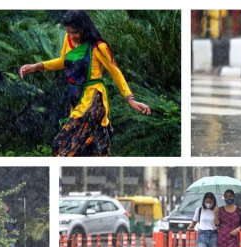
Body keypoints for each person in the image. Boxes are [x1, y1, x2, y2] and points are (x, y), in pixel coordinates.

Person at [18, 10, 151, 157]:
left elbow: (116, 72)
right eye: (68, 32)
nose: (71, 36)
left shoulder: (99, 47)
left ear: (84, 28)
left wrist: (130, 99)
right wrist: (37, 66)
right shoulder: (68, 40)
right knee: (95, 149)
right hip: (76, 98)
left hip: (93, 100)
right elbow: (64, 61)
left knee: (61, 145)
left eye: (74, 32)